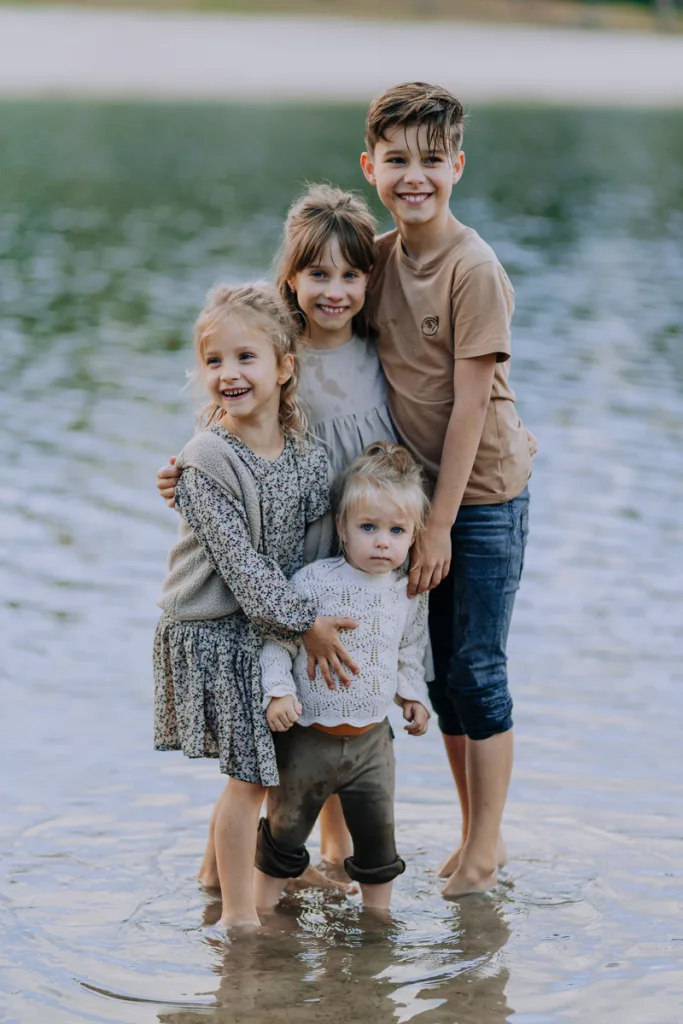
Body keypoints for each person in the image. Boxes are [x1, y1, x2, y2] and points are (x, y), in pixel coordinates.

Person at [157, 185, 402, 883]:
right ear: (289, 279)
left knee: (330, 706)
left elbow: (429, 407)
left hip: (352, 551)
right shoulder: (272, 350)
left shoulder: (377, 349)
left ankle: (326, 856)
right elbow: (223, 437)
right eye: (316, 274)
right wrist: (179, 476)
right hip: (285, 564)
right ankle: (222, 883)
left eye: (350, 275)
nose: (333, 290)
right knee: (273, 730)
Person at [360, 82, 534, 896]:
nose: (414, 176)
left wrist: (438, 527)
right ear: (371, 167)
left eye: (432, 160)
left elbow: (468, 406)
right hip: (422, 502)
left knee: (476, 667)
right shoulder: (381, 256)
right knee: (438, 678)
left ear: (457, 165)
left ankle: (487, 845)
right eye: (397, 160)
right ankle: (472, 836)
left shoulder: (474, 268)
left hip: (485, 494)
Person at [153, 281, 357, 930]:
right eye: (214, 362)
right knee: (250, 779)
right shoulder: (207, 457)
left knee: (253, 773)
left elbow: (315, 542)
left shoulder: (304, 454)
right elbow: (242, 569)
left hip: (264, 627)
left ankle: (212, 882)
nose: (229, 374)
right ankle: (239, 923)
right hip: (212, 629)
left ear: (282, 368)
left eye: (246, 358)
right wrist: (305, 626)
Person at [254, 442, 431, 914]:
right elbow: (279, 639)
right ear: (342, 528)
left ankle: (379, 920)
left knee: (377, 836)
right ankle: (263, 914)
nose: (381, 542)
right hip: (309, 736)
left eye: (396, 531)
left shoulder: (405, 591)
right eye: (368, 528)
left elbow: (409, 646)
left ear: (414, 536)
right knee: (285, 830)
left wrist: (412, 695)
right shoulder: (315, 582)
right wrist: (279, 693)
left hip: (373, 741)